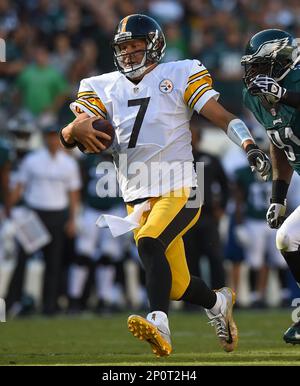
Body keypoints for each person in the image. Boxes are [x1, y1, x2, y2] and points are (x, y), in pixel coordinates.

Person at [60, 14, 270, 357]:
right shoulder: (100, 85)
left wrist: (249, 145)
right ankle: (218, 302)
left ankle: (158, 323)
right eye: (123, 48)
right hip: (136, 194)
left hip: (181, 186)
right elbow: (74, 130)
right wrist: (70, 131)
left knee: (149, 241)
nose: (128, 54)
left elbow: (220, 115)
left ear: (154, 46)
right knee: (176, 284)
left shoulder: (179, 72)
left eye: (135, 46)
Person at [241, 28, 300, 343]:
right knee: (288, 239)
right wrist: (278, 196)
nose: (255, 73)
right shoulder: (254, 96)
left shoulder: (295, 81)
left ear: (282, 63)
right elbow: (278, 141)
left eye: (262, 65)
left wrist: (286, 95)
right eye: (253, 66)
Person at [6, 125, 81, 315]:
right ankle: (12, 303)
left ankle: (49, 306)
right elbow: (20, 187)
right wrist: (8, 208)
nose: (53, 141)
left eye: (55, 137)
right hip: (35, 214)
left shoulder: (68, 163)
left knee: (53, 262)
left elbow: (73, 193)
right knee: (22, 258)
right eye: (49, 137)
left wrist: (72, 220)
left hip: (57, 214)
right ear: (45, 139)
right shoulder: (32, 160)